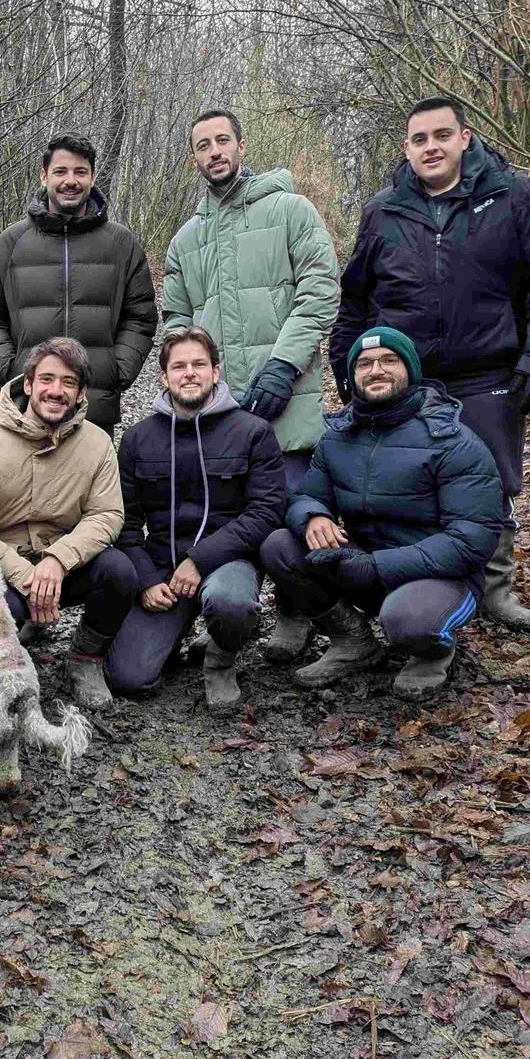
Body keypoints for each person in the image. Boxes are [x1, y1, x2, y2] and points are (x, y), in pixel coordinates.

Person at [332, 96, 530, 636]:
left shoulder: (514, 196)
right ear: (406, 148)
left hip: (489, 370)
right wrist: (345, 365)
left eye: (442, 135)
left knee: (491, 479)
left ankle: (494, 590)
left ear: (465, 138)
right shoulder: (383, 211)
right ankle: (425, 587)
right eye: (419, 139)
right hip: (406, 377)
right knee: (405, 479)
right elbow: (356, 298)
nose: (431, 148)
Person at [162, 107, 340, 662]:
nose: (214, 151)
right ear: (193, 158)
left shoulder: (290, 210)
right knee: (229, 513)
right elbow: (175, 319)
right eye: (203, 145)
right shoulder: (186, 240)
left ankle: (295, 612)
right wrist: (194, 381)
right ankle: (227, 613)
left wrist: (285, 364)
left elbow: (320, 287)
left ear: (241, 146)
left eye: (223, 140)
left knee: (288, 514)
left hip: (287, 400)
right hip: (221, 409)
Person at [261, 327, 505, 696]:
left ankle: (432, 652)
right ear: (352, 376)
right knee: (280, 545)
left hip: (438, 576)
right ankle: (353, 641)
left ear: (411, 370)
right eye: (364, 364)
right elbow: (306, 495)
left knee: (409, 622)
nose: (376, 370)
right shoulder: (338, 437)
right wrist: (314, 515)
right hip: (361, 564)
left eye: (389, 360)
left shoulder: (452, 442)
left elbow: (472, 540)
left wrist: (378, 566)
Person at [106, 327, 286, 712]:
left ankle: (221, 659)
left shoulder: (253, 432)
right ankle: (174, 629)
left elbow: (266, 511)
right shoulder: (137, 439)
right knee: (128, 677)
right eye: (179, 366)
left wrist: (199, 559)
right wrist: (145, 580)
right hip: (163, 568)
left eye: (199, 365)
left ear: (215, 372)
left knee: (230, 602)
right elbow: (125, 520)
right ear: (164, 377)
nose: (189, 373)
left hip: (227, 561)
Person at [0, 337, 135, 710]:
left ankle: (86, 658)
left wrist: (58, 560)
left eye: (68, 382)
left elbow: (107, 514)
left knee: (119, 572)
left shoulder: (98, 444)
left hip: (65, 566)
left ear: (81, 393)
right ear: (28, 384)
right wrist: (27, 579)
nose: (56, 391)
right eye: (46, 379)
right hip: (4, 567)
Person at [0, 133, 158, 433]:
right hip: (27, 408)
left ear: (93, 177)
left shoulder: (122, 244)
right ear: (44, 176)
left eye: (80, 172)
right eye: (61, 171)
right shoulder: (11, 243)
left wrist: (116, 370)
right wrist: (10, 370)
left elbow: (141, 317)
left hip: (95, 410)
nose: (71, 180)